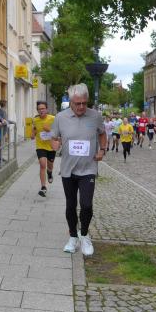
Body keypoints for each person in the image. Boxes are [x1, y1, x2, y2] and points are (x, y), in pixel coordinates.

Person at [51, 84, 107, 257]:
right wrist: (55, 145)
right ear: (71, 102)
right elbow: (54, 137)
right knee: (70, 205)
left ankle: (84, 235)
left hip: (88, 168)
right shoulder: (60, 117)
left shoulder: (95, 116)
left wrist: (102, 150)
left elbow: (102, 133)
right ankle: (73, 237)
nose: (81, 106)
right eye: (77, 103)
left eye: (84, 103)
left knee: (87, 204)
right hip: (68, 169)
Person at [31, 101, 56, 196]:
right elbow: (33, 134)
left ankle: (49, 173)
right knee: (42, 164)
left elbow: (57, 133)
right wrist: (33, 133)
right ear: (37, 110)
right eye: (39, 109)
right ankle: (43, 187)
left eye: (43, 108)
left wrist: (49, 130)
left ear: (46, 109)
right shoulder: (35, 120)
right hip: (40, 146)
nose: (41, 110)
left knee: (50, 166)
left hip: (51, 146)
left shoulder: (53, 119)